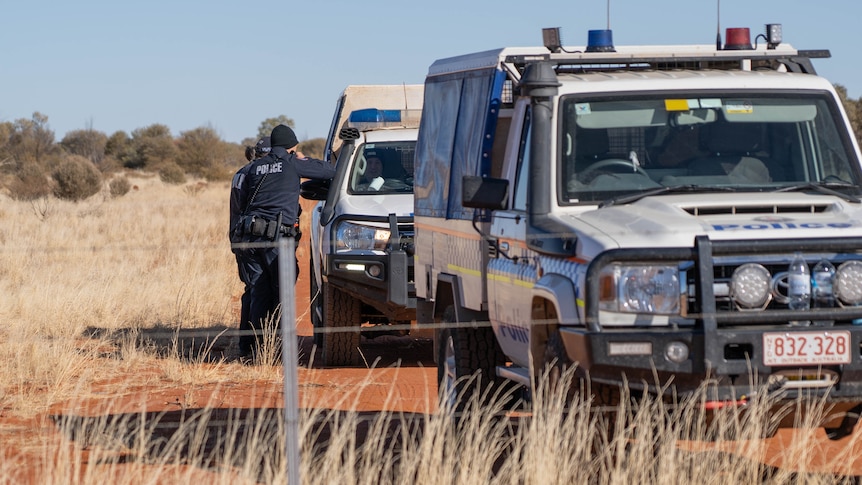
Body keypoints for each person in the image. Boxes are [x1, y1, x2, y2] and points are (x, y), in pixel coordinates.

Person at [236, 124, 336, 360]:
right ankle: (276, 348)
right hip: (276, 239)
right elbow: (329, 171)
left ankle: (256, 350)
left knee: (259, 292)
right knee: (281, 292)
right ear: (292, 146)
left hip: (250, 238)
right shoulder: (292, 163)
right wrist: (303, 159)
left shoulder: (255, 167)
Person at [230, 136, 271, 344]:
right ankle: (253, 344)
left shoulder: (240, 173)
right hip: (249, 236)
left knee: (251, 289)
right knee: (258, 290)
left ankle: (246, 343)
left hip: (238, 237)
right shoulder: (256, 174)